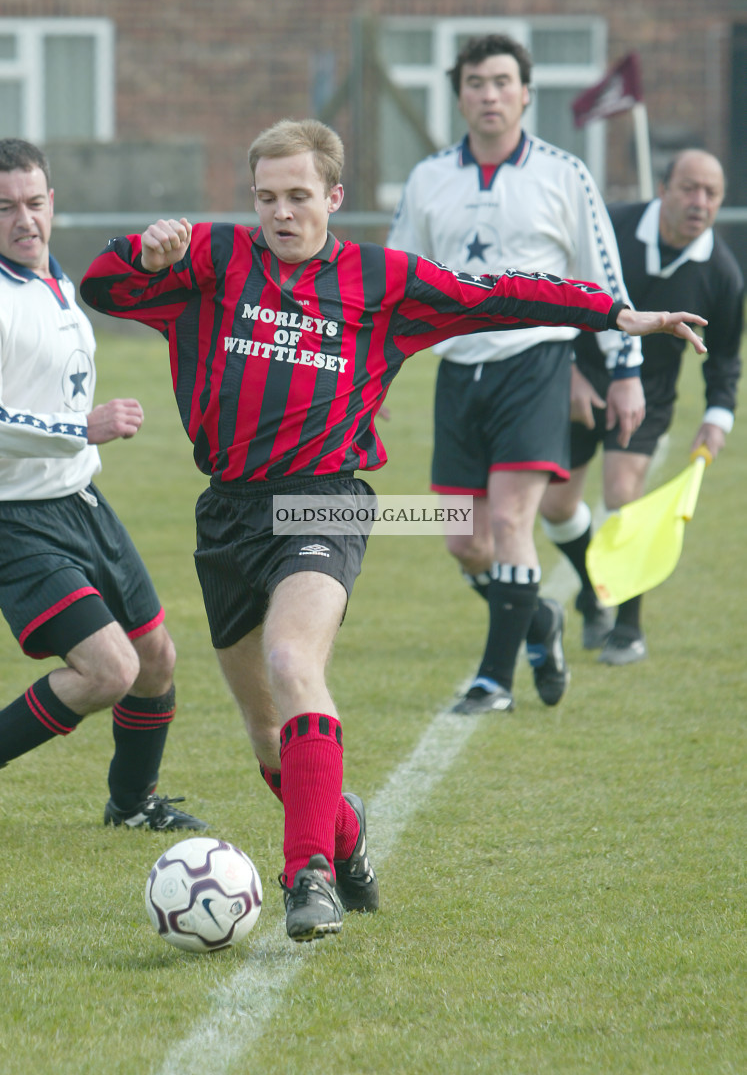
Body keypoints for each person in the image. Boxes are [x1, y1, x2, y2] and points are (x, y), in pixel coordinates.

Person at [79, 117, 705, 942]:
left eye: (299, 196)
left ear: (334, 196)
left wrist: (614, 317)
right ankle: (345, 834)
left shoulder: (381, 279)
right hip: (226, 510)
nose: (281, 213)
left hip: (323, 498)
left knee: (292, 659)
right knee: (267, 734)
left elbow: (497, 295)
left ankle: (308, 875)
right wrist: (142, 252)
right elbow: (102, 290)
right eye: (266, 197)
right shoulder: (212, 261)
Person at [387, 33, 645, 716]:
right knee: (463, 543)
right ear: (460, 95)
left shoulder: (564, 174)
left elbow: (603, 277)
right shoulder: (427, 179)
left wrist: (624, 372)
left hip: (537, 363)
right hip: (457, 370)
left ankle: (493, 682)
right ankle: (537, 620)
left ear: (526, 93)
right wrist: (371, 376)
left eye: (502, 81)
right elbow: (394, 284)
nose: (489, 94)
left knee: (509, 522)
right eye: (475, 82)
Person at [0, 138, 206, 832]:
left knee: (155, 659)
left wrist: (152, 257)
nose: (23, 220)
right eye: (4, 209)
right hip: (17, 518)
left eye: (33, 203)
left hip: (83, 502)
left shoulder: (52, 277)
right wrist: (77, 429)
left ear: (52, 201)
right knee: (107, 670)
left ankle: (132, 803)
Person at [540, 149, 744, 663]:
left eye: (711, 194)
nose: (699, 202)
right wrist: (568, 371)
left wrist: (717, 417)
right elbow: (552, 292)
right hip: (580, 374)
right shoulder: (612, 228)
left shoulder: (721, 274)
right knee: (557, 506)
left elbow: (723, 361)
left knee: (622, 493)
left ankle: (627, 628)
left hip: (647, 393)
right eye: (689, 188)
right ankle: (593, 590)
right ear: (664, 188)